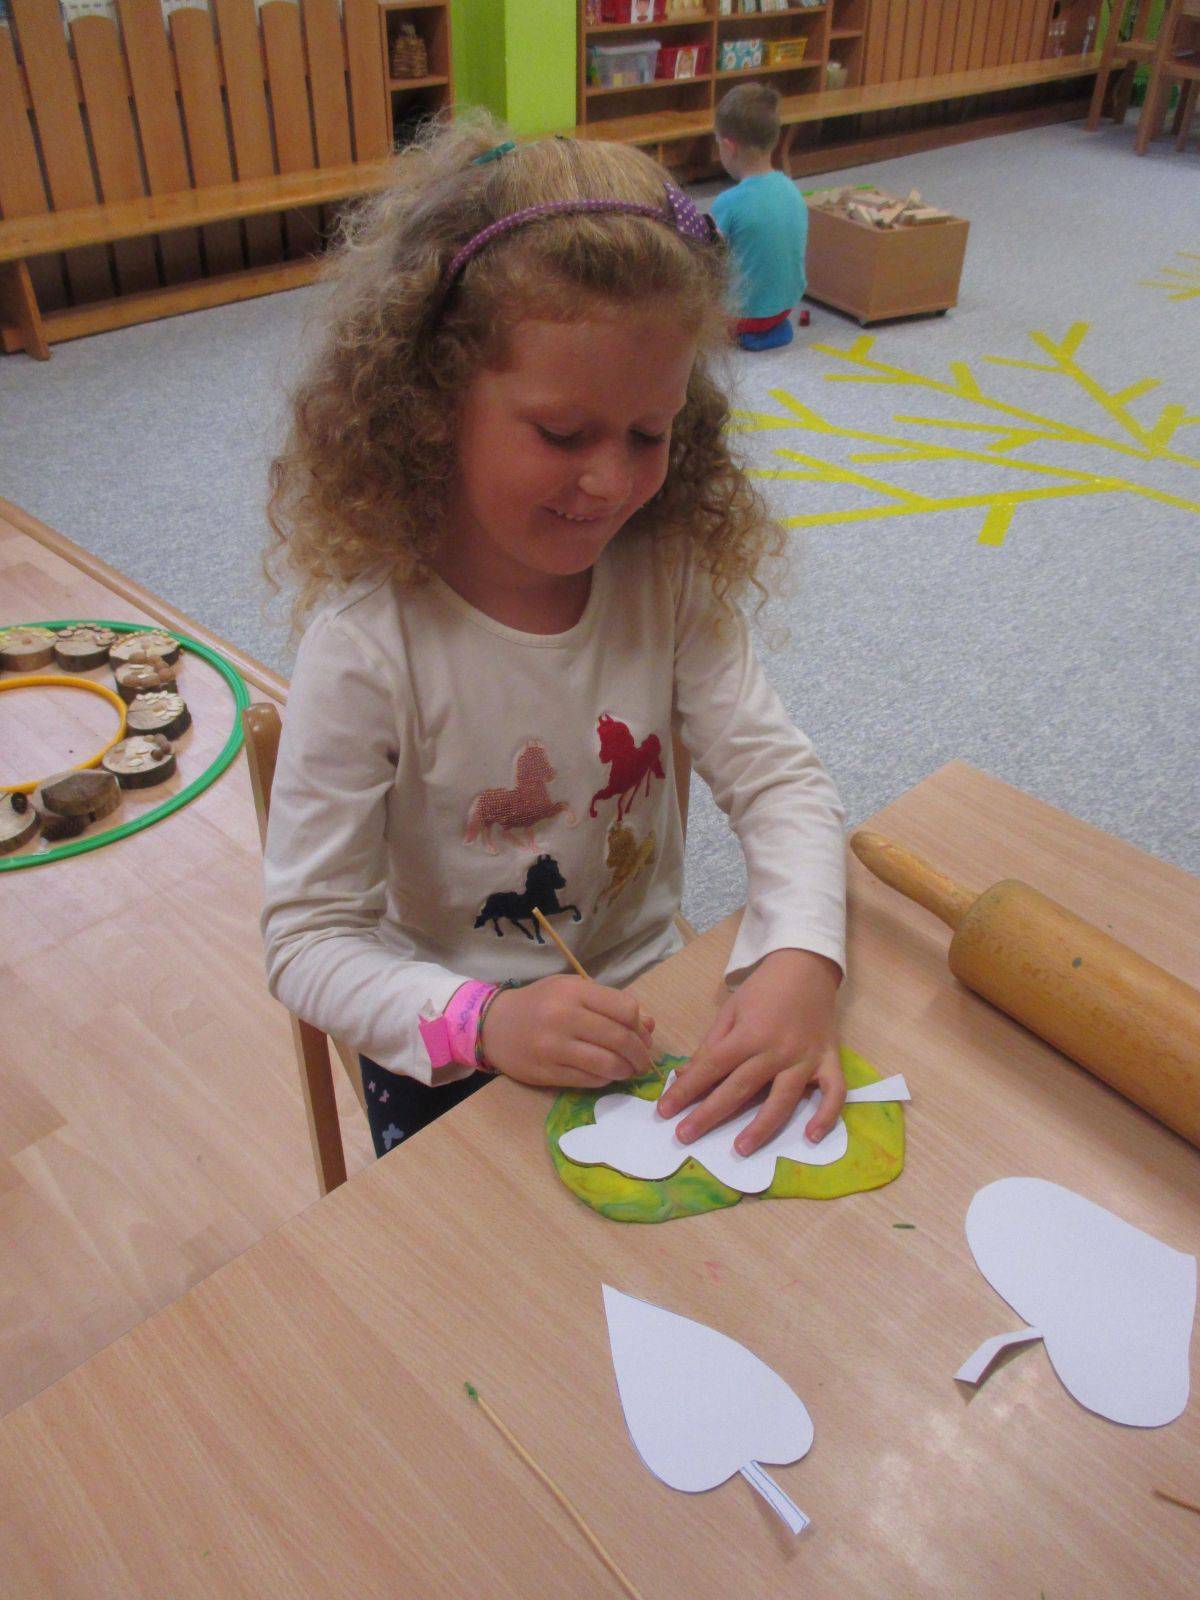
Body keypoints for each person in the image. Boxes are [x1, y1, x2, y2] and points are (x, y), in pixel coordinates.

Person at [262, 113, 846, 1166]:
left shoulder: (665, 576)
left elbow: (781, 782)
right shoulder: (369, 648)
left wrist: (802, 958)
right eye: (563, 434)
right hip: (451, 1048)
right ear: (433, 403)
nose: (613, 482)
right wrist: (486, 1022)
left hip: (645, 1000)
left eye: (650, 433)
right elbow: (307, 942)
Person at [711, 84, 808, 351]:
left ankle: (745, 330)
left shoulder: (728, 202)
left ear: (729, 147)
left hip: (743, 318)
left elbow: (709, 257)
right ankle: (767, 328)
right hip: (785, 306)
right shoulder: (791, 189)